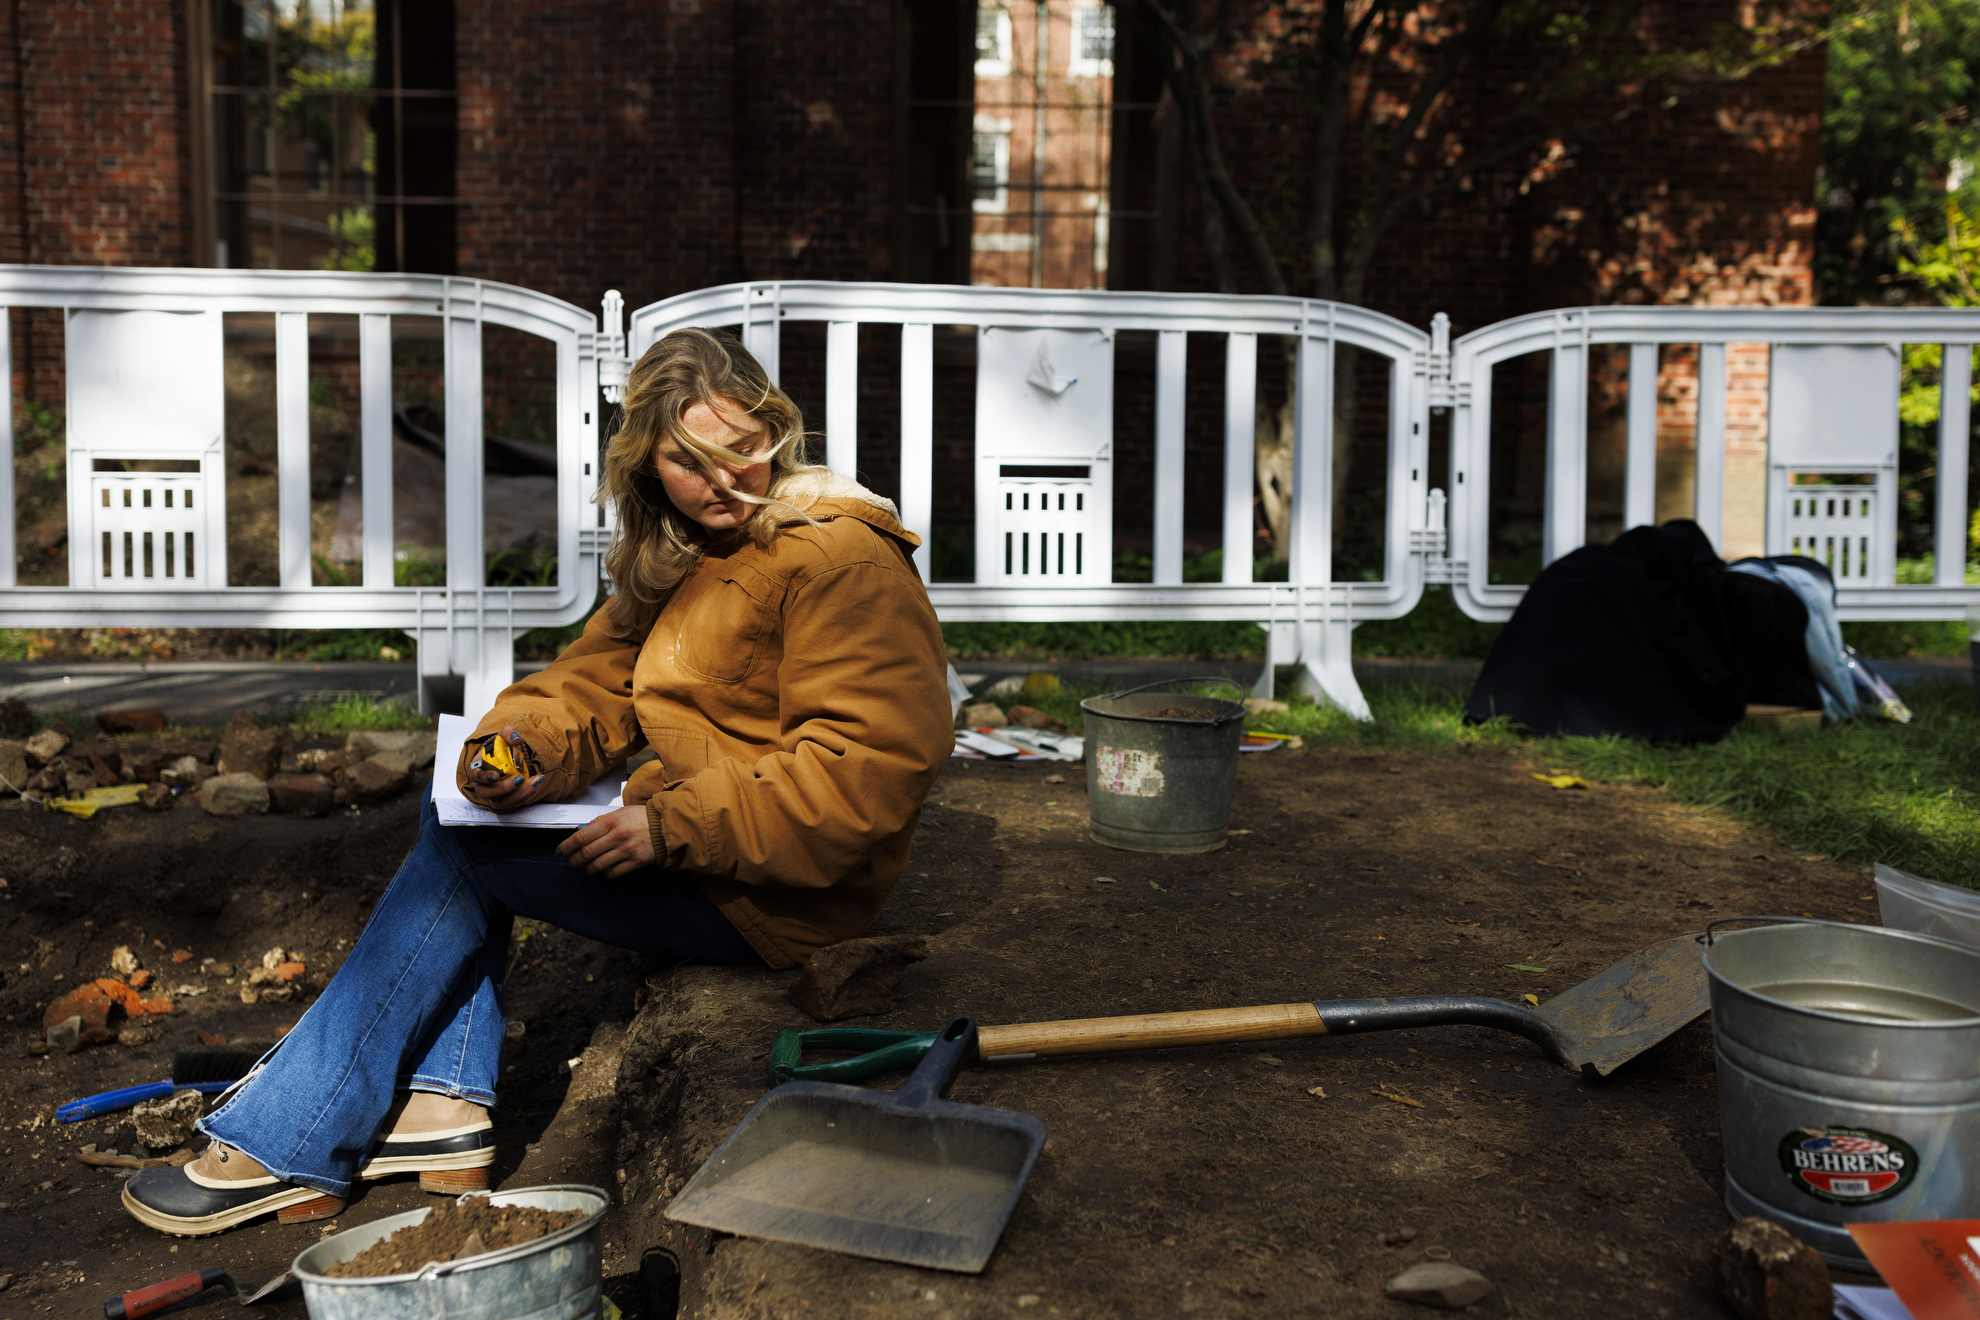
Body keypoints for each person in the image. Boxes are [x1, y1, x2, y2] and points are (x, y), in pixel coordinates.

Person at [123, 327, 954, 1235]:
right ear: (647, 460)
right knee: (468, 830)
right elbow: (591, 682)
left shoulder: (839, 560)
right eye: (690, 460)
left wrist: (672, 825)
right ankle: (442, 1114)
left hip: (777, 890)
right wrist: (516, 746)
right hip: (713, 852)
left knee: (463, 858)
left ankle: (290, 1139)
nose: (725, 482)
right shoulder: (688, 553)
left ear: (777, 432)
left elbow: (868, 768)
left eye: (745, 448)